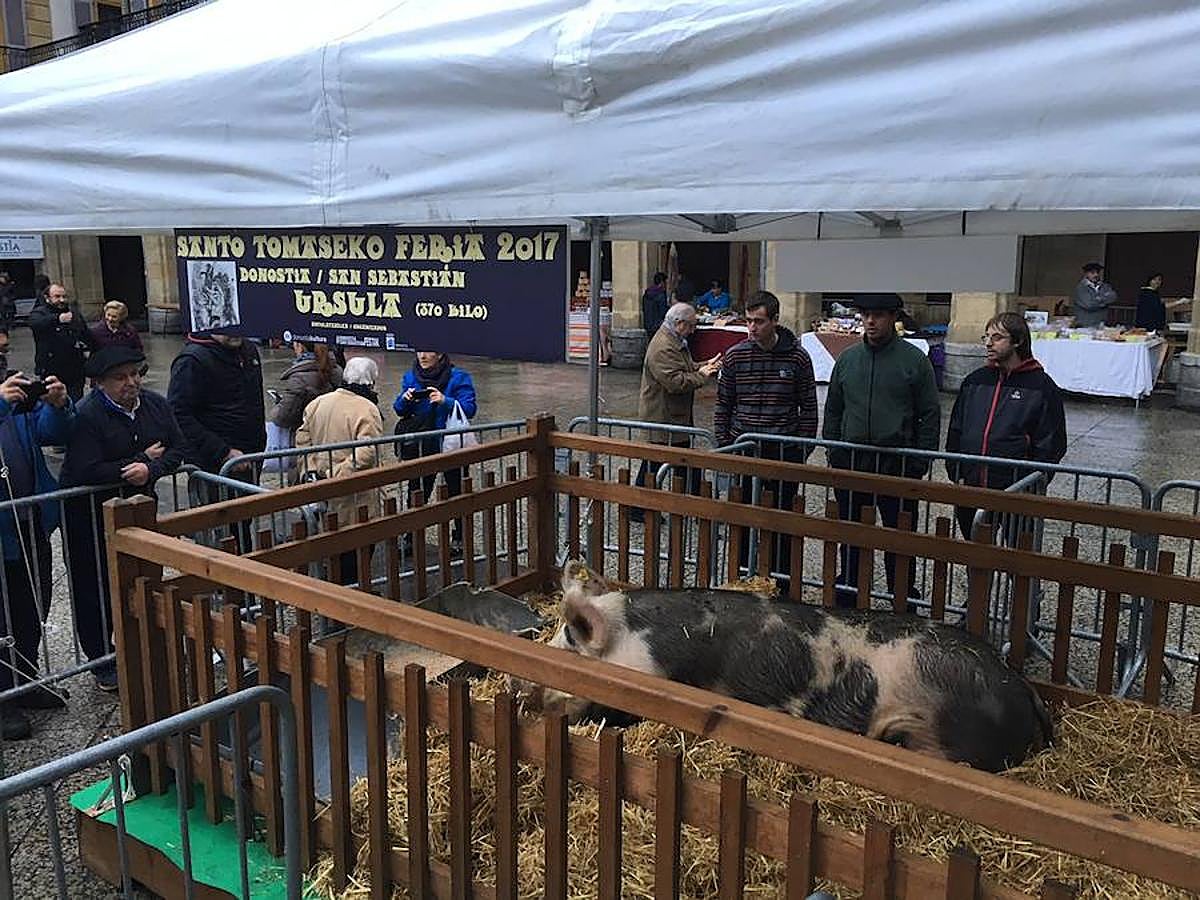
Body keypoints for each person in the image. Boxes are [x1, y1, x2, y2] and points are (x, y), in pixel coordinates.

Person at [59, 346, 185, 692]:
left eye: (134, 374)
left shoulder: (155, 405)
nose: (131, 382)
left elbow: (178, 447)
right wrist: (137, 460)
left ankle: (145, 646)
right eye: (120, 378)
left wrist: (152, 469)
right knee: (95, 587)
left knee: (143, 578)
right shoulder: (87, 415)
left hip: (138, 510)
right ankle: (102, 661)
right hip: (89, 516)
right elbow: (85, 468)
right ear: (100, 383)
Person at [822, 293, 940, 608]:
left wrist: (920, 461)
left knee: (899, 537)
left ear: (893, 318)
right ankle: (849, 590)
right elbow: (834, 408)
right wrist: (834, 450)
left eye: (878, 315)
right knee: (852, 534)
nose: (870, 321)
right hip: (853, 462)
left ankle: (901, 595)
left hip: (897, 464)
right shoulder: (848, 359)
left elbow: (929, 412)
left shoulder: (914, 360)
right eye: (865, 315)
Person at [714, 290, 818, 582]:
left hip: (782, 451)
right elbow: (723, 404)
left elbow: (808, 407)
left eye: (758, 321)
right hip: (745, 449)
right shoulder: (736, 356)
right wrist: (726, 445)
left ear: (775, 320)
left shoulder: (797, 358)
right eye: (748, 321)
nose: (752, 327)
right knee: (744, 520)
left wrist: (801, 449)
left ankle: (780, 581)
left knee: (781, 522)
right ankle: (742, 579)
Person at [945, 312, 1067, 542]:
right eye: (986, 337)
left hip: (1017, 492)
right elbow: (956, 430)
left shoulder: (1042, 387)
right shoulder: (975, 381)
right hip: (972, 486)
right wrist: (956, 472)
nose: (988, 343)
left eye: (997, 337)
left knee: (1017, 554)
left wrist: (1031, 483)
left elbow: (1051, 443)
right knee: (976, 552)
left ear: (1018, 341)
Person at [0, 369, 72, 739]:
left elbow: (52, 433)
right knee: (1, 618)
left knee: (32, 606)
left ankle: (23, 679)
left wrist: (57, 405)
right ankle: (3, 700)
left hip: (29, 523)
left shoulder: (14, 404)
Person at [296, 357, 385, 584]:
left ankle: (337, 586)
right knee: (357, 545)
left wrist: (310, 470)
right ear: (371, 382)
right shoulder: (367, 408)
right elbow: (368, 451)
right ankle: (352, 590)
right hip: (355, 490)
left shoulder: (318, 403)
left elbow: (302, 439)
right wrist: (338, 472)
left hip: (321, 484)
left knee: (332, 540)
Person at [632, 303, 721, 516]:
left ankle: (693, 506)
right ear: (679, 323)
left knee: (680, 462)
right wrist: (702, 375)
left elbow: (683, 367)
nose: (693, 330)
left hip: (673, 416)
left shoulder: (674, 340)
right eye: (691, 325)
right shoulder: (663, 346)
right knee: (663, 463)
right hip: (663, 417)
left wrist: (704, 365)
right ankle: (640, 508)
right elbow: (675, 382)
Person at [393, 351, 477, 553]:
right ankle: (411, 537)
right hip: (422, 444)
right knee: (417, 492)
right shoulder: (411, 377)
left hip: (451, 444)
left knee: (457, 491)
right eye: (419, 351)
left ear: (439, 354)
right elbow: (399, 409)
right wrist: (405, 400)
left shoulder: (458, 377)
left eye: (427, 351)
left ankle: (460, 538)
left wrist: (445, 401)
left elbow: (470, 408)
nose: (422, 356)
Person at [28, 282, 94, 400]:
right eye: (57, 297)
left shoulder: (73, 313)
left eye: (64, 296)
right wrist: (57, 319)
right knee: (54, 400)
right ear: (47, 298)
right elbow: (35, 323)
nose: (62, 300)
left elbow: (86, 335)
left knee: (76, 401)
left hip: (74, 368)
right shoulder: (40, 312)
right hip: (51, 367)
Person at [268, 341, 341, 435]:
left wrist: (278, 406)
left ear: (300, 347)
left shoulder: (299, 379)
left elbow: (283, 417)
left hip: (306, 434)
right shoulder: (338, 371)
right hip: (332, 431)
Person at [1072, 262, 1118, 328]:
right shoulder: (1081, 288)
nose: (1096, 275)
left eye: (1098, 272)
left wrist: (1098, 299)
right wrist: (1105, 300)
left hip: (1102, 324)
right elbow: (1089, 305)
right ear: (1086, 274)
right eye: (1092, 273)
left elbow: (1113, 297)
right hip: (1085, 325)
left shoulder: (1105, 286)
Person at [641, 272, 669, 336]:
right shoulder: (660, 295)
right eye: (665, 282)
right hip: (658, 326)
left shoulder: (647, 293)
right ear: (662, 282)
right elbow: (663, 312)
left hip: (648, 324)